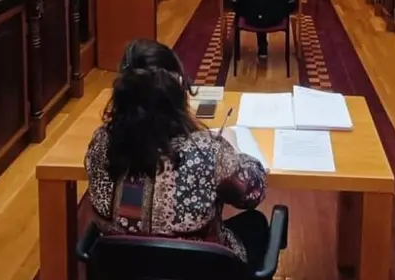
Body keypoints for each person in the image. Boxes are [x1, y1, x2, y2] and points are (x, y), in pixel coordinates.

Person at [84, 38, 269, 266]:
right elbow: (253, 193)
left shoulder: (102, 142)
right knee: (256, 223)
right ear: (178, 88)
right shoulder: (208, 152)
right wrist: (235, 150)